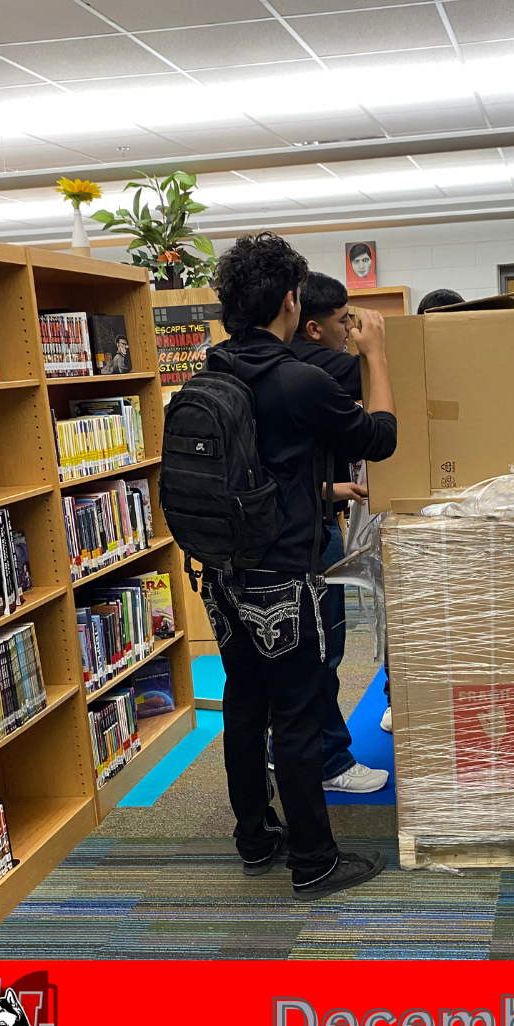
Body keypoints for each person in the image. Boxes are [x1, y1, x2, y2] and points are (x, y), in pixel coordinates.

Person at [202, 232, 397, 900]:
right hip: (285, 574)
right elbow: (382, 438)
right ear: (290, 300)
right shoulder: (299, 379)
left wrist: (320, 490)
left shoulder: (211, 374)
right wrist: (374, 355)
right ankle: (314, 860)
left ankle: (255, 837)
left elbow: (253, 474)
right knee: (298, 707)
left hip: (223, 576)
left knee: (243, 702)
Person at [283, 270, 389, 792]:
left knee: (293, 661)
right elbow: (380, 435)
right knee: (323, 652)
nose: (350, 328)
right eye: (343, 320)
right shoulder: (315, 368)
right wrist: (377, 353)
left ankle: (296, 753)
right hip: (305, 542)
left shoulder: (256, 370)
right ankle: (330, 763)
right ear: (311, 328)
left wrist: (335, 490)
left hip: (280, 533)